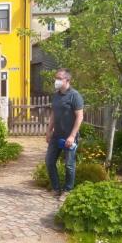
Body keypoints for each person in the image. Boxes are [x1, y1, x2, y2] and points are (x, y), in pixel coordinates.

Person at [45, 68, 84, 201]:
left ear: (67, 80)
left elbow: (79, 116)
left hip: (70, 137)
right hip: (56, 136)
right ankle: (56, 189)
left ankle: (68, 190)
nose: (56, 81)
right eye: (55, 78)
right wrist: (49, 131)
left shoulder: (75, 95)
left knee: (69, 164)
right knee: (49, 162)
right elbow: (53, 114)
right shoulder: (55, 95)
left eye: (59, 78)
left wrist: (72, 136)